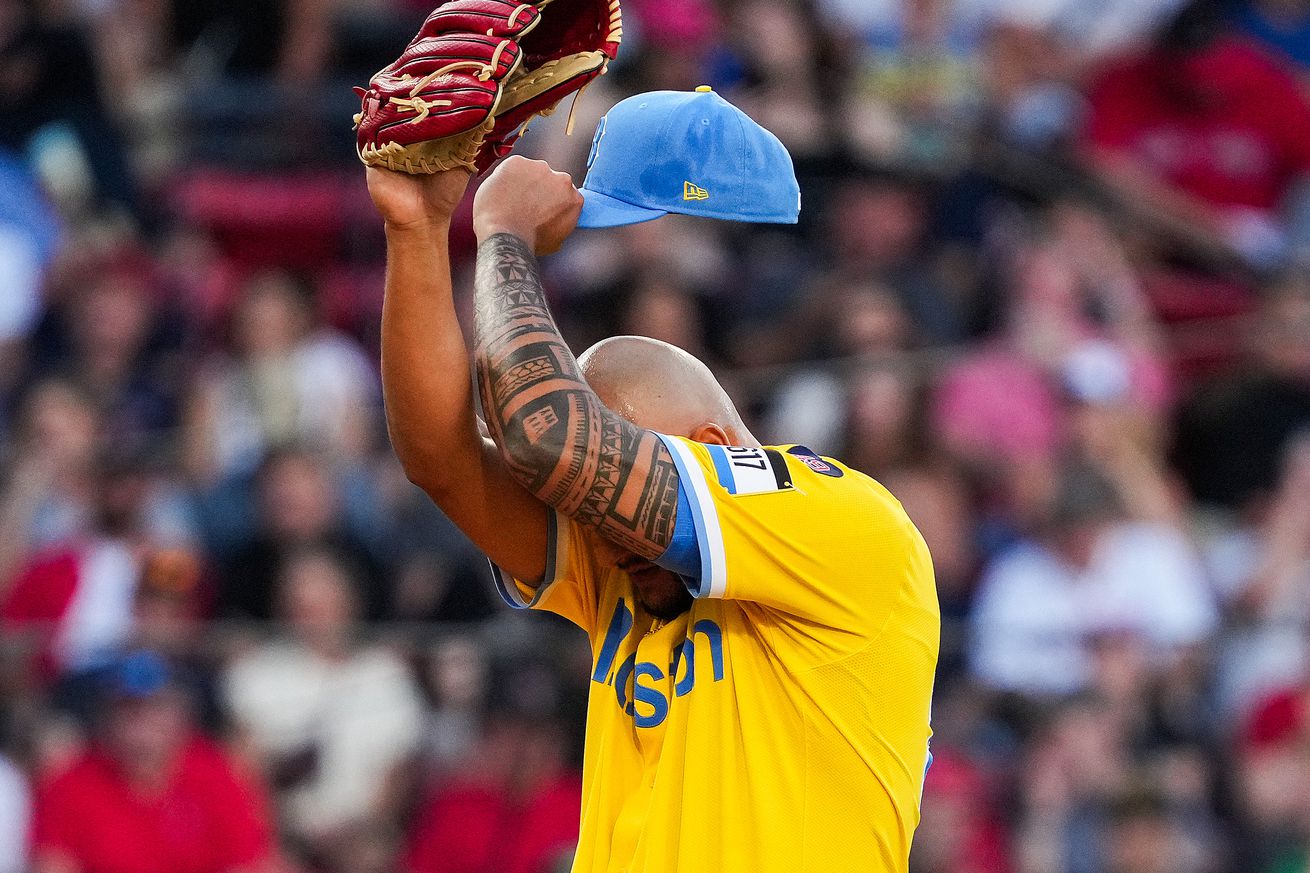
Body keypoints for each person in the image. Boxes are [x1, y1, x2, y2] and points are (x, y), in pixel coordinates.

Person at [366, 87, 939, 872]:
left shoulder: (841, 518)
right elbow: (441, 458)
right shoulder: (623, 569)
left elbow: (553, 441)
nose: (602, 524)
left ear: (708, 447)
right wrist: (418, 226)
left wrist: (503, 236)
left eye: (621, 477)